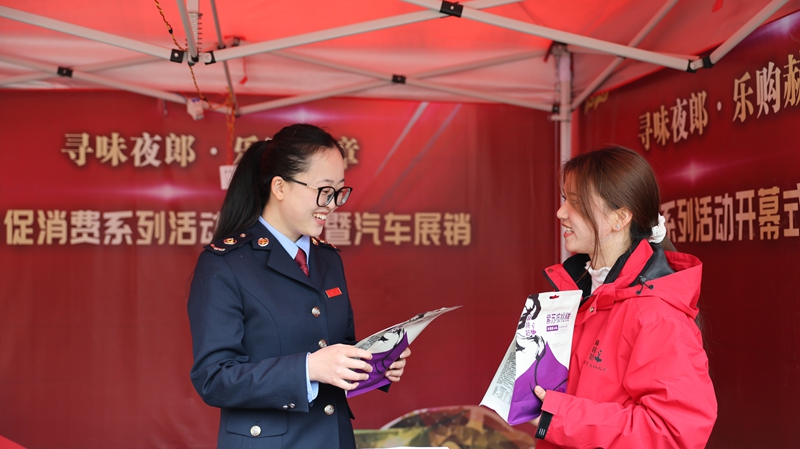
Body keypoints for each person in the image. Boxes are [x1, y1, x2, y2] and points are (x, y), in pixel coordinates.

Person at [187, 123, 411, 449]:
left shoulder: (327, 259)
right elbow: (214, 378)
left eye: (338, 192)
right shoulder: (225, 263)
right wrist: (308, 369)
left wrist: (378, 362)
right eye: (324, 190)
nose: (331, 204)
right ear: (279, 187)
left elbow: (339, 350)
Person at [529, 146, 717, 448]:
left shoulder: (656, 315)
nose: (561, 212)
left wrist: (560, 417)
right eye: (565, 199)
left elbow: (672, 433)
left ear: (620, 218)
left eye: (575, 202)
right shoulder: (579, 293)